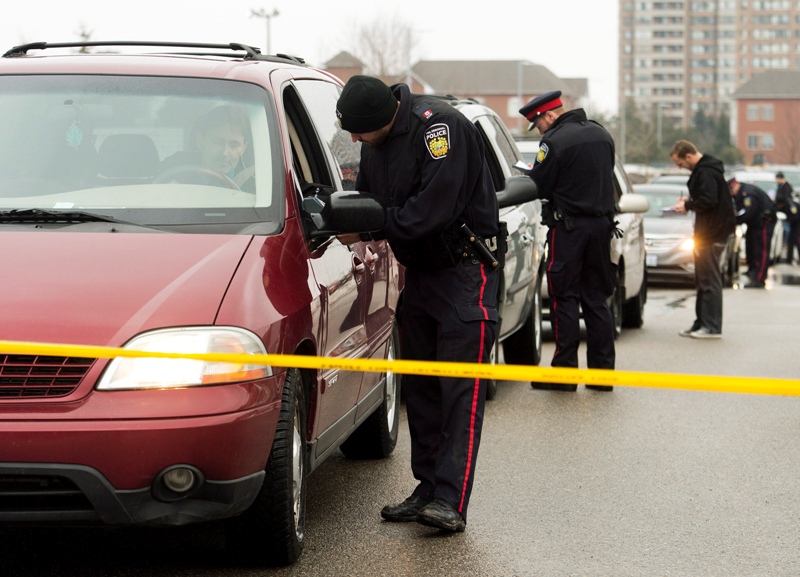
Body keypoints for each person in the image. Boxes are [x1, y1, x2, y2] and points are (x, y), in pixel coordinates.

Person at [335, 75, 502, 533]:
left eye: (357, 130)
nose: (353, 139)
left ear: (381, 117)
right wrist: (356, 226)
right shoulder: (375, 141)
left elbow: (437, 206)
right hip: (422, 275)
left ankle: (451, 499)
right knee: (423, 390)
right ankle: (427, 488)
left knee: (459, 392)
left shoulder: (438, 128)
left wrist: (377, 227)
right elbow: (370, 200)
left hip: (465, 274)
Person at [517, 90, 618, 392]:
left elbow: (540, 184)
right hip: (601, 227)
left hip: (569, 229)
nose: (540, 130)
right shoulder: (601, 134)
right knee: (597, 299)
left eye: (538, 124)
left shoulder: (554, 141)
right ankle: (603, 376)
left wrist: (532, 175)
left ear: (549, 115)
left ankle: (565, 374)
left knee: (565, 298)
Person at [669, 140, 736, 338]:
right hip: (708, 232)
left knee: (709, 280)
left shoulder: (705, 172)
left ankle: (711, 326)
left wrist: (688, 206)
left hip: (712, 234)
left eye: (680, 163)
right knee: (702, 280)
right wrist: (689, 203)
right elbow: (707, 199)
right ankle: (701, 323)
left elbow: (709, 200)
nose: (681, 168)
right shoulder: (707, 170)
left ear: (688, 156)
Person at [161, 104, 254, 190]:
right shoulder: (172, 169)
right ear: (200, 141)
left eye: (234, 145)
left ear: (243, 148)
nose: (224, 153)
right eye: (217, 142)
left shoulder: (255, 185)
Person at [728, 177, 777, 288]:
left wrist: (733, 221)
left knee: (762, 251)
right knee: (753, 249)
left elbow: (747, 213)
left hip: (764, 222)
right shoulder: (743, 192)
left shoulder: (747, 194)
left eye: (731, 191)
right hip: (755, 224)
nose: (732, 194)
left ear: (735, 186)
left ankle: (760, 279)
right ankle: (754, 272)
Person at [775, 172, 800, 264]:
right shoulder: (782, 188)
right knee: (792, 240)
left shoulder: (787, 192)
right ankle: (789, 258)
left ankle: (792, 258)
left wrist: (790, 220)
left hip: (794, 221)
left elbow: (794, 213)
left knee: (795, 239)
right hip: (791, 219)